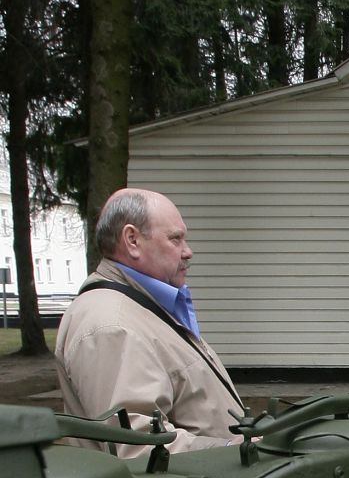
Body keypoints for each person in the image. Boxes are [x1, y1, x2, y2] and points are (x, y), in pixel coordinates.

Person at [56, 187, 246, 456]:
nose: (188, 252)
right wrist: (234, 449)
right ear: (132, 240)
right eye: (175, 239)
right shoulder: (112, 325)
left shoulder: (141, 307)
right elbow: (139, 447)